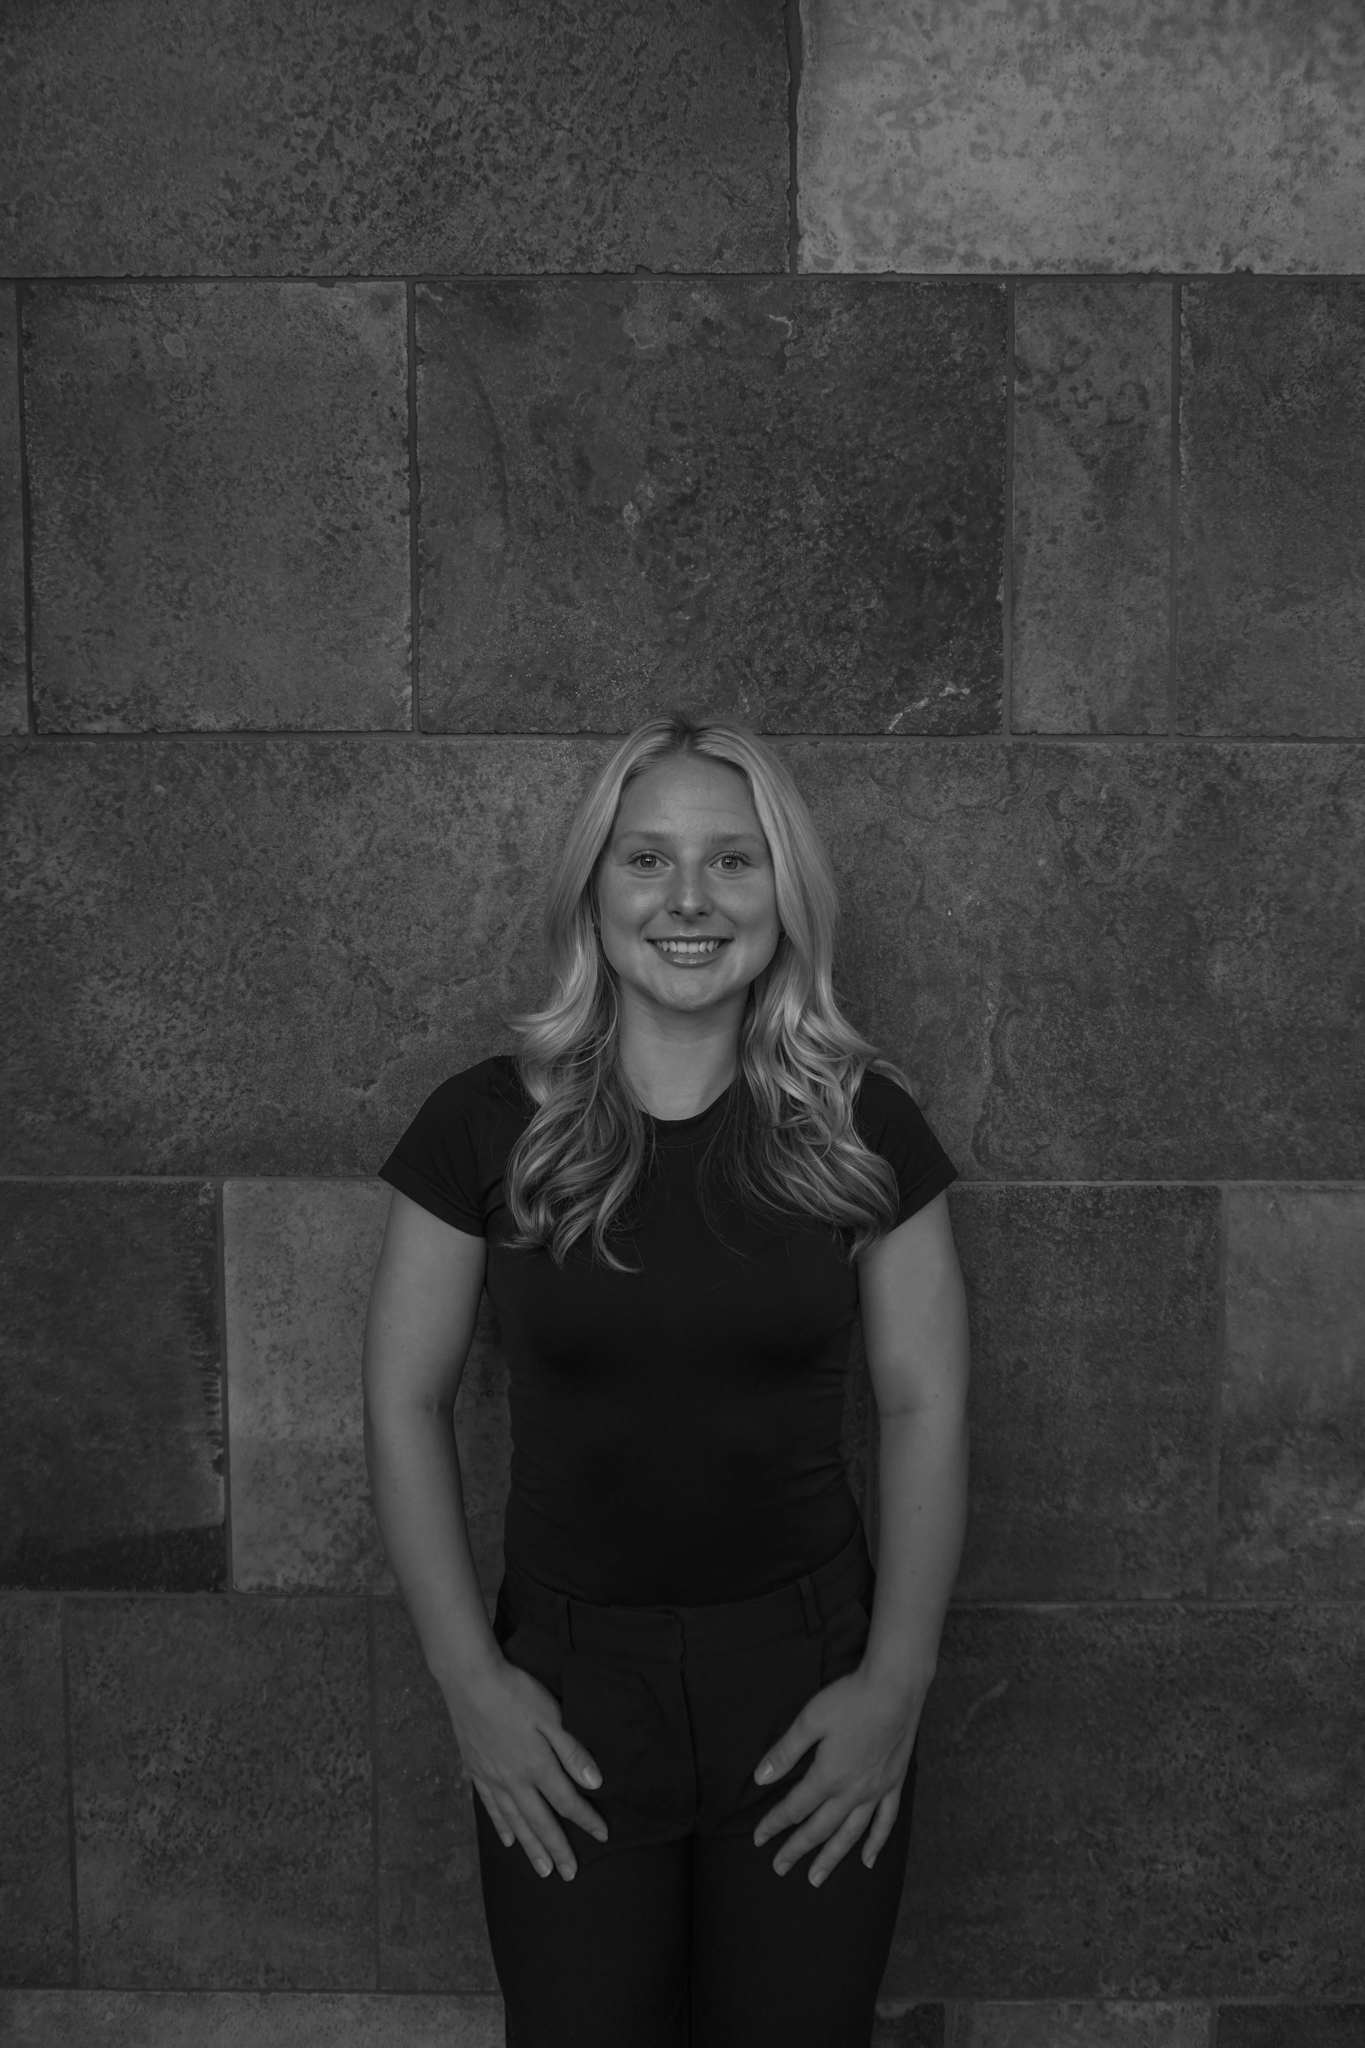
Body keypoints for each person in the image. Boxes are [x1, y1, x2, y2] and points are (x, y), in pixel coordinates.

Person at [362, 712, 970, 2048]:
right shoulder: (483, 1124)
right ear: (594, 890)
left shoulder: (864, 1125)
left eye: (732, 863)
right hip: (568, 1692)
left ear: (784, 894)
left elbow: (924, 1406)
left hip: (808, 1682)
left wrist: (893, 1687)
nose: (688, 900)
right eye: (647, 860)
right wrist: (472, 1685)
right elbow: (401, 1405)